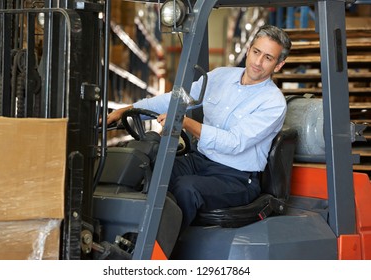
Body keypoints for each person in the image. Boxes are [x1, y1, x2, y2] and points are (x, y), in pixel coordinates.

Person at [106, 25, 292, 231]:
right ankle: (125, 234)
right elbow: (177, 100)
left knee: (186, 189)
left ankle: (163, 255)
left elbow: (234, 142)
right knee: (147, 167)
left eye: (268, 57)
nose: (258, 62)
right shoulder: (220, 77)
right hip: (200, 160)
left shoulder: (273, 103)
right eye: (256, 52)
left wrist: (186, 123)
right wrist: (129, 110)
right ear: (249, 50)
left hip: (236, 177)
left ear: (278, 65)